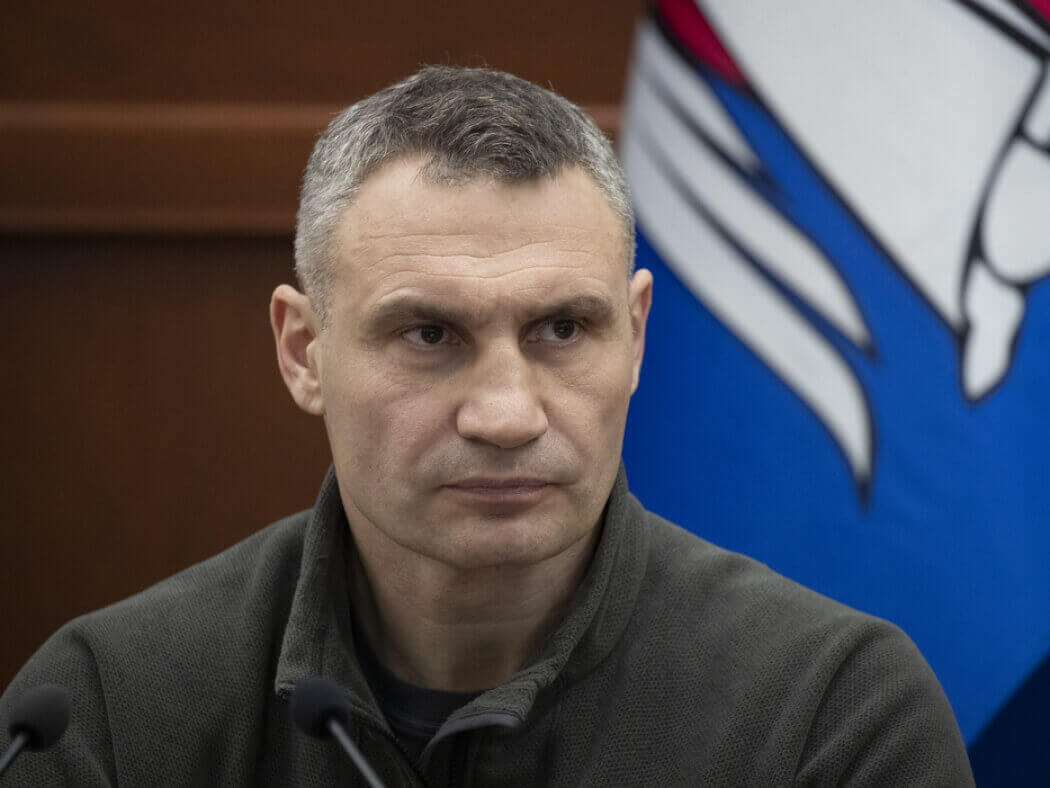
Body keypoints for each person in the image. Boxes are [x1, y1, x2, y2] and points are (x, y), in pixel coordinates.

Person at [0, 66, 973, 786]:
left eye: (563, 329)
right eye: (429, 334)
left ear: (636, 337)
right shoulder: (105, 712)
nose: (507, 414)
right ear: (303, 352)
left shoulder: (831, 714)